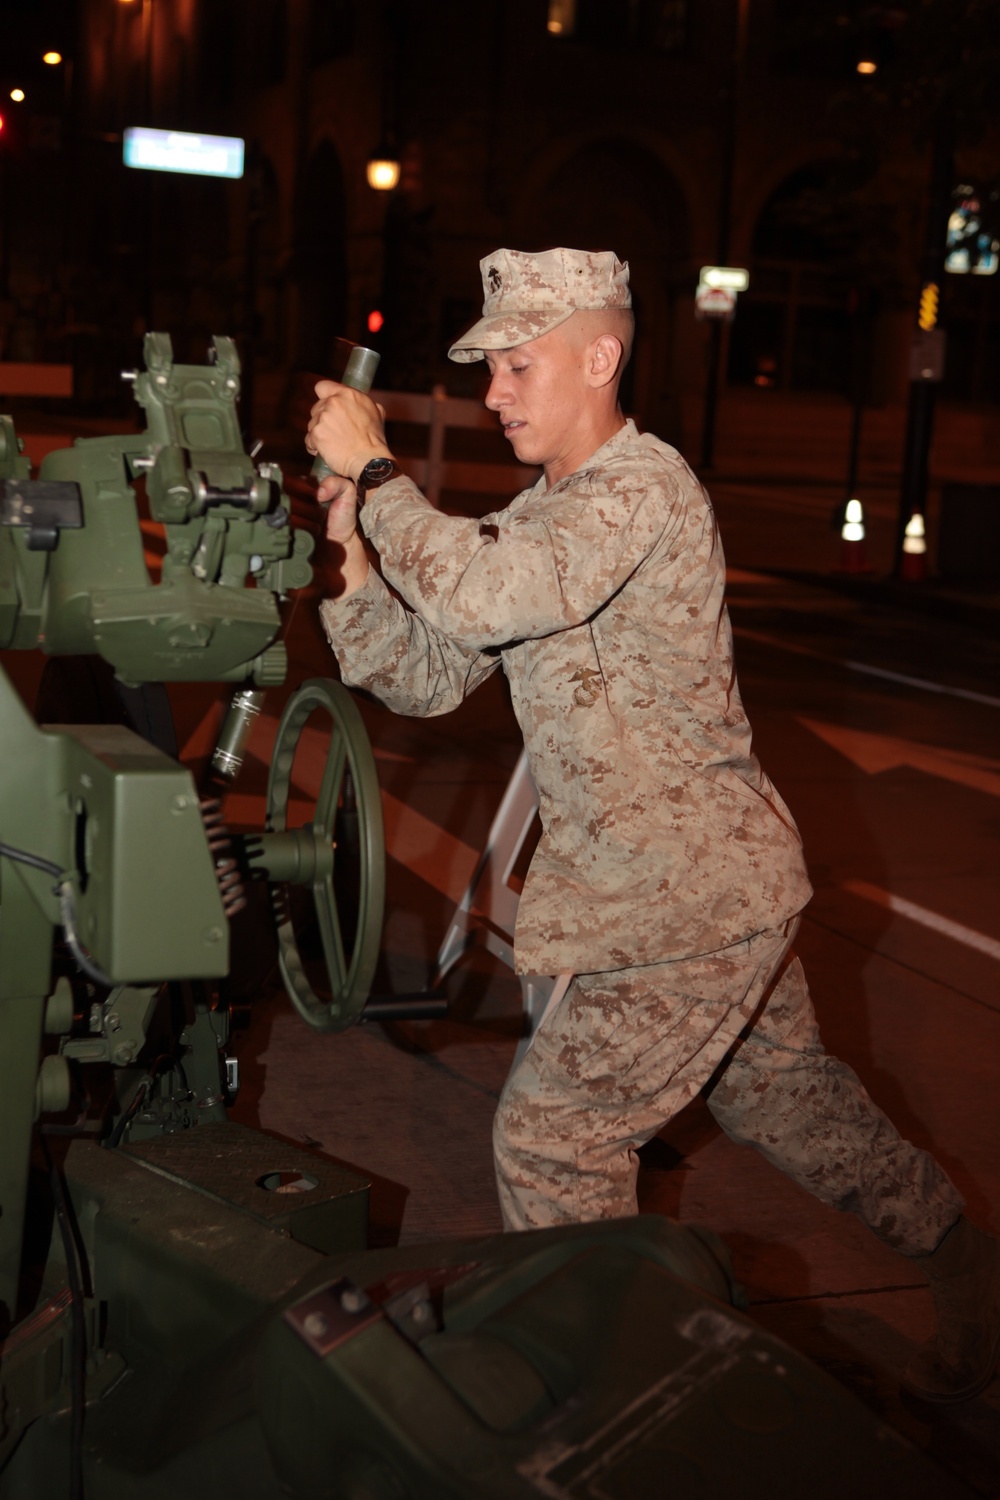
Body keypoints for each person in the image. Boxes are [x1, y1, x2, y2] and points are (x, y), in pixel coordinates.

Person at [306, 245, 999, 1405]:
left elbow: (484, 591)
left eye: (518, 366)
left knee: (552, 1141)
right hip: (687, 894)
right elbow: (425, 674)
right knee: (788, 1101)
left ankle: (614, 1394)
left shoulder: (644, 489)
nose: (495, 393)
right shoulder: (546, 514)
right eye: (490, 370)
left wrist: (380, 471)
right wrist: (353, 564)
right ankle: (969, 1266)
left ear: (600, 356)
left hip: (688, 892)